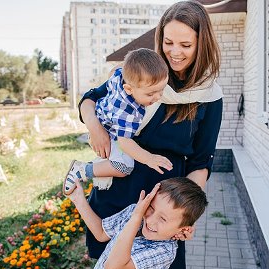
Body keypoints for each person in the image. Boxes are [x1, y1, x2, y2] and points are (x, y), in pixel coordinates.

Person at [78, 1, 223, 269]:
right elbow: (90, 99)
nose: (175, 52)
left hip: (164, 208)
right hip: (118, 199)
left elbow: (200, 162)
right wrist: (95, 127)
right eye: (168, 42)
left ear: (201, 44)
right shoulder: (142, 71)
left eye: (186, 44)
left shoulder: (209, 95)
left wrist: (187, 216)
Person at [64, 46, 222, 194]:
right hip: (111, 132)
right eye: (151, 94)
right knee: (124, 166)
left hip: (106, 117)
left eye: (162, 90)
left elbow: (116, 72)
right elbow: (125, 142)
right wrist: (149, 159)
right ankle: (84, 170)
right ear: (129, 89)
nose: (158, 97)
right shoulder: (127, 113)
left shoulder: (123, 77)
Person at [66, 177, 208, 269]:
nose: (151, 220)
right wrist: (78, 199)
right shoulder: (136, 212)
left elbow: (113, 266)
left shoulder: (164, 252)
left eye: (163, 219)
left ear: (183, 229)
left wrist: (135, 218)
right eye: (151, 208)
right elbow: (101, 233)